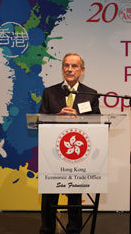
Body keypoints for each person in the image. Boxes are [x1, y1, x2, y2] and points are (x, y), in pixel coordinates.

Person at [38, 53, 101, 234]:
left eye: (74, 66)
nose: (69, 69)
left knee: (75, 193)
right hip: (53, 151)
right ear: (62, 69)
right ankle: (47, 229)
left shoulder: (91, 94)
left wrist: (79, 117)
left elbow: (97, 120)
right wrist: (57, 117)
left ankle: (74, 229)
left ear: (82, 70)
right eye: (66, 65)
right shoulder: (49, 92)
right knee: (50, 194)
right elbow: (40, 119)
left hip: (78, 152)